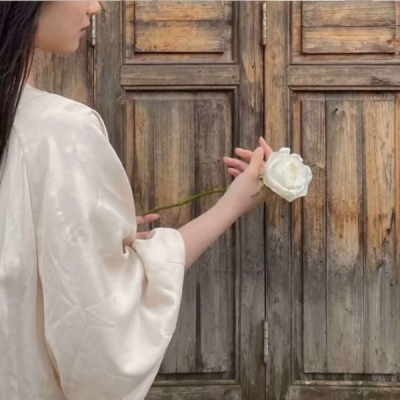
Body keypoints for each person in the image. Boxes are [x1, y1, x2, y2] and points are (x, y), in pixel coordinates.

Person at [0, 2, 272, 399]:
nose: (98, 5)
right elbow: (99, 325)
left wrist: (97, 247)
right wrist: (233, 204)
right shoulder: (60, 131)